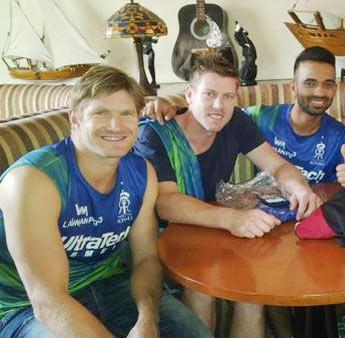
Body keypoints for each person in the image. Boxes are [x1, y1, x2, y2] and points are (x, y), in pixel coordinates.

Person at [0, 65, 212, 337]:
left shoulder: (141, 173)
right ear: (74, 118)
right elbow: (48, 300)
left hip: (109, 284)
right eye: (101, 113)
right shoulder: (35, 179)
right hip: (22, 306)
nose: (116, 126)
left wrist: (148, 319)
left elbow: (145, 258)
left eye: (127, 114)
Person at [134, 55, 320, 338]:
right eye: (209, 95)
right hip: (159, 238)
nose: (219, 106)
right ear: (189, 94)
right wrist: (232, 218)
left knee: (252, 287)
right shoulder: (156, 135)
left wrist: (300, 188)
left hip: (210, 231)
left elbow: (278, 165)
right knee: (203, 287)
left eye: (228, 97)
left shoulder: (236, 123)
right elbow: (166, 203)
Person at [145, 46, 345, 188]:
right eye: (310, 83)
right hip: (262, 217)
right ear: (293, 87)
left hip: (311, 215)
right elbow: (213, 112)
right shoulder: (260, 117)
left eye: (328, 84)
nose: (319, 92)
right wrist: (168, 104)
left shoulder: (341, 135)